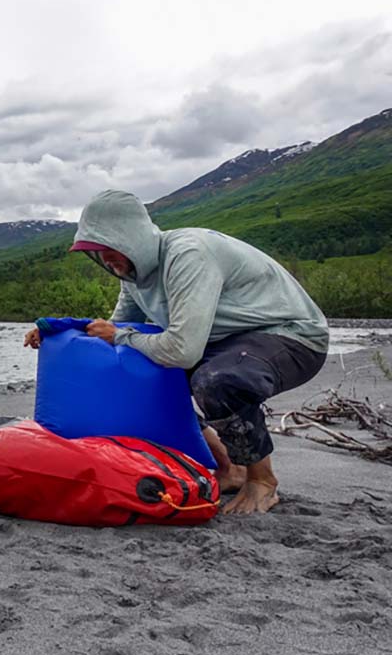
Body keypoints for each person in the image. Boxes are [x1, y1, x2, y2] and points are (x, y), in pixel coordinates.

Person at [24, 189, 329, 515]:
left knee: (216, 380)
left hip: (293, 336)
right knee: (141, 371)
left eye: (110, 247)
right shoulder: (132, 276)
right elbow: (115, 331)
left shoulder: (187, 254)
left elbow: (181, 350)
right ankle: (231, 467)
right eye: (97, 252)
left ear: (132, 239)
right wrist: (58, 332)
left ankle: (262, 481)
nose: (107, 259)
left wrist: (121, 337)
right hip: (230, 342)